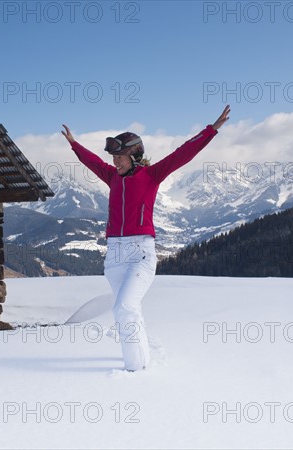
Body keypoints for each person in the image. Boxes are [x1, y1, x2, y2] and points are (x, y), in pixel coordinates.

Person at [61, 105, 230, 371]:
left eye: (121, 156)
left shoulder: (151, 176)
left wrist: (212, 130)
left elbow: (182, 153)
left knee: (124, 308)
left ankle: (134, 369)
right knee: (128, 313)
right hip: (115, 257)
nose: (115, 161)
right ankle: (139, 361)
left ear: (136, 155)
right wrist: (74, 144)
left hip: (140, 254)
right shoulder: (112, 177)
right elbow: (93, 162)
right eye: (114, 156)